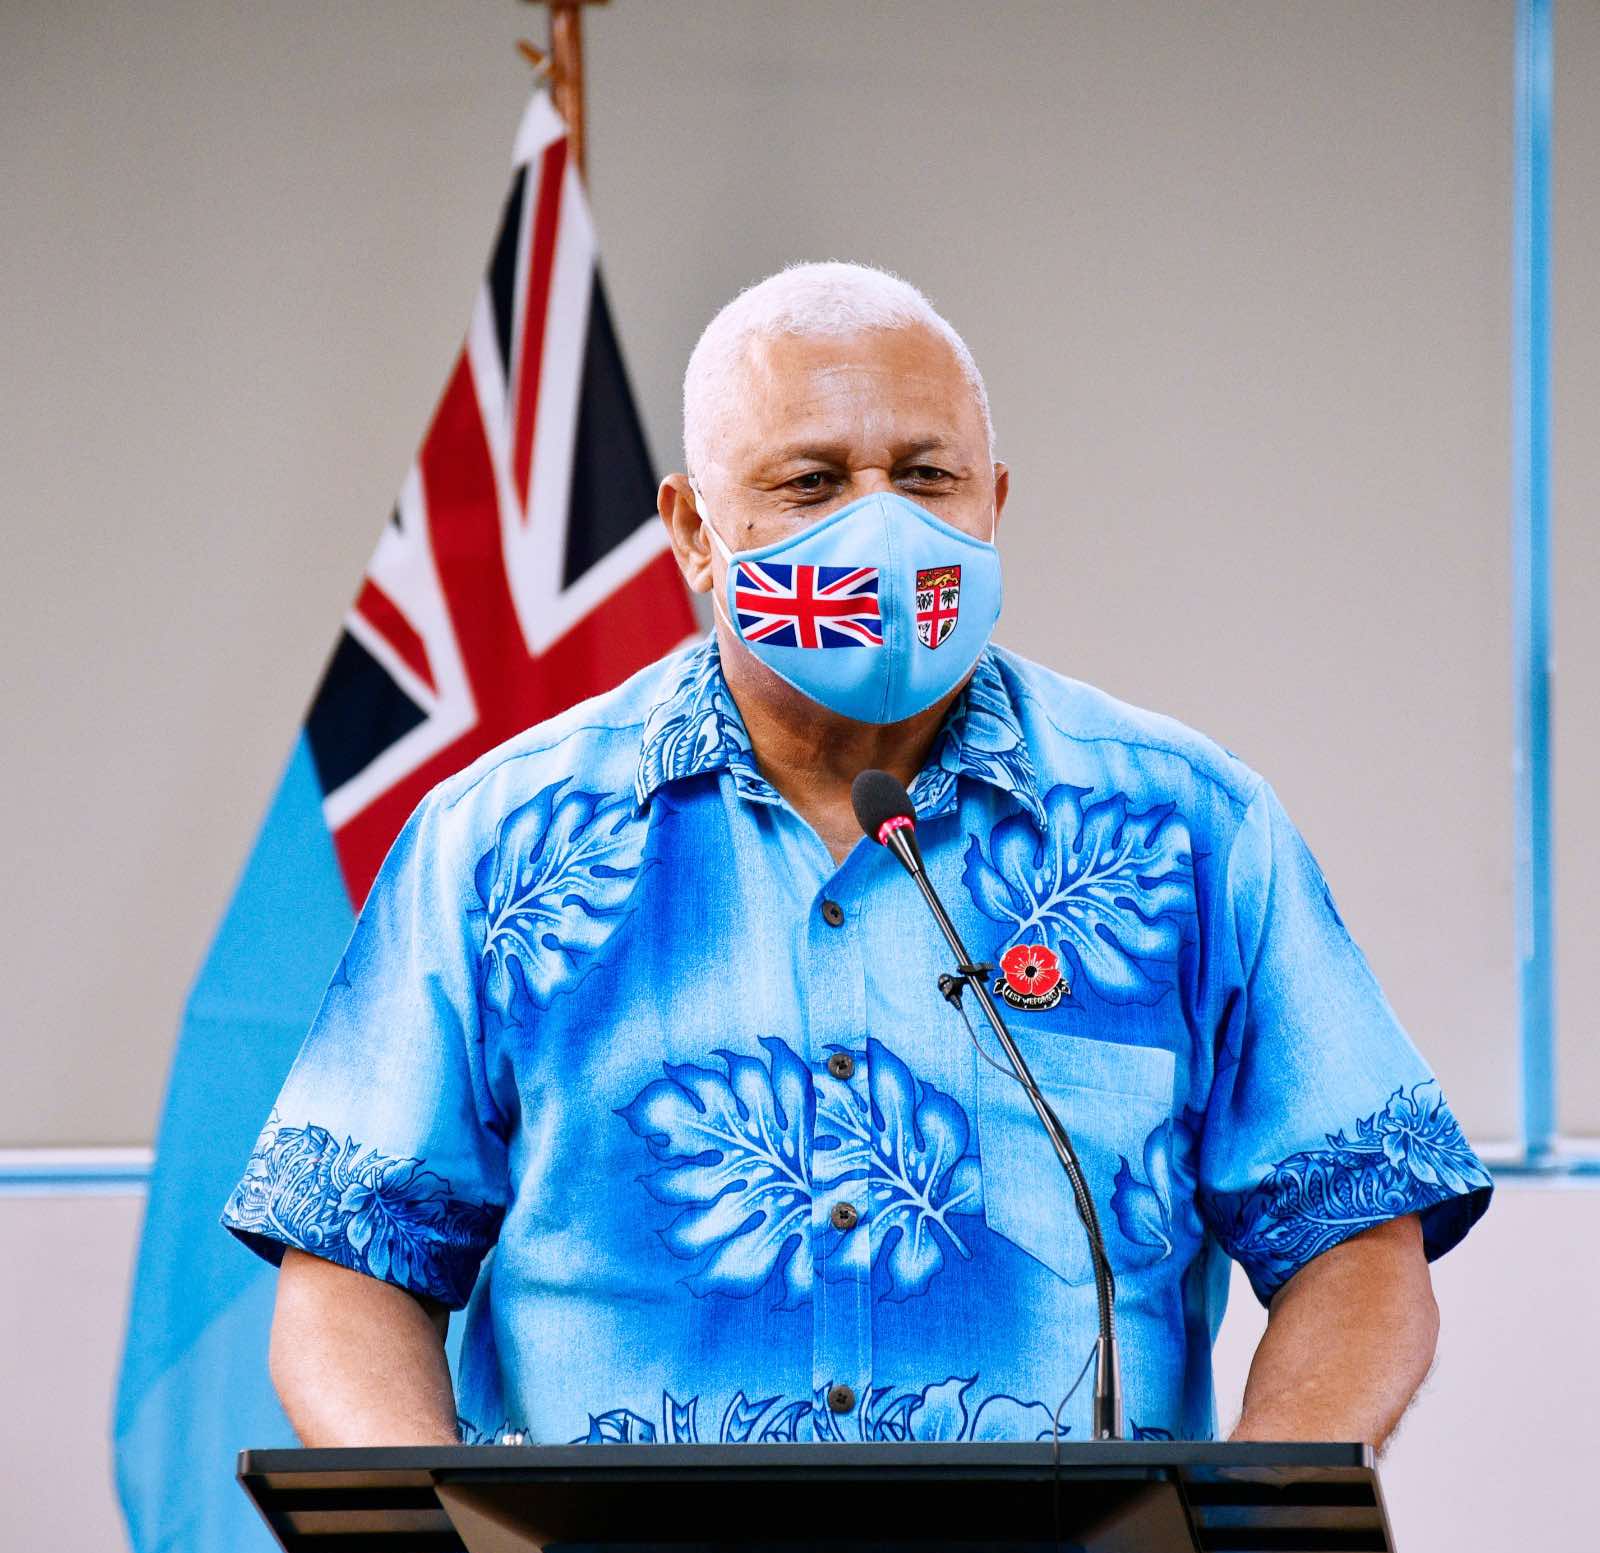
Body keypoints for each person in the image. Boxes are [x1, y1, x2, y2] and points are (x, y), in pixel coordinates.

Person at [224, 261, 1491, 1449]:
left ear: (994, 504)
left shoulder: (1186, 831)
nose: (879, 527)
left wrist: (1258, 1522)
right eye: (811, 483)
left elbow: (1357, 1242)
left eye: (927, 477)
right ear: (694, 530)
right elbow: (351, 1267)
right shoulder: (501, 844)